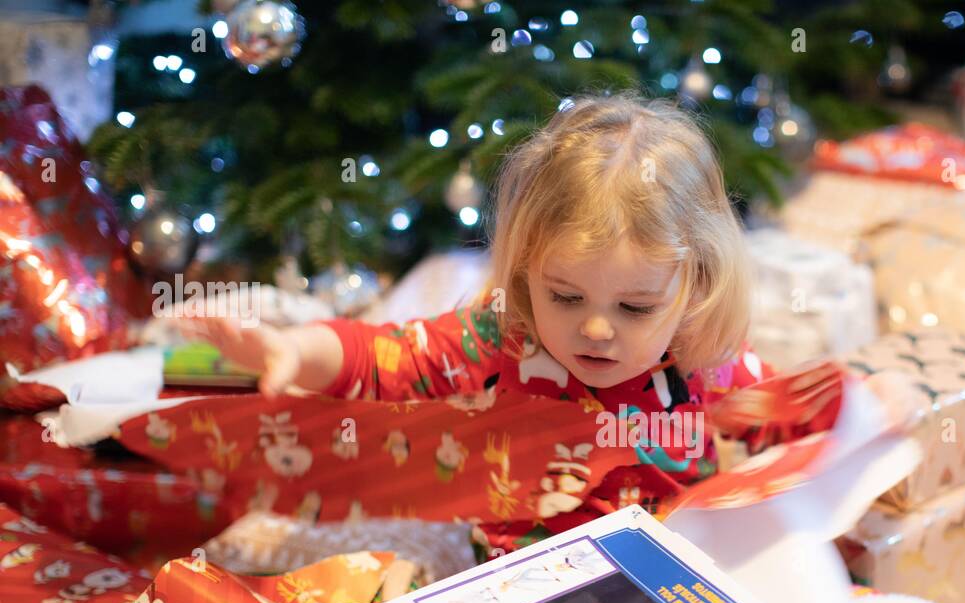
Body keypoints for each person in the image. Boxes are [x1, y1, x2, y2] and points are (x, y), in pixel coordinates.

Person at [179, 93, 786, 557]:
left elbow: (796, 420)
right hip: (512, 582)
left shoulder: (707, 353)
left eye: (635, 308)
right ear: (524, 274)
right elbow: (383, 355)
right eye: (566, 296)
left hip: (668, 578)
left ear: (697, 283)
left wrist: (869, 432)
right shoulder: (502, 336)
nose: (596, 330)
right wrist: (291, 348)